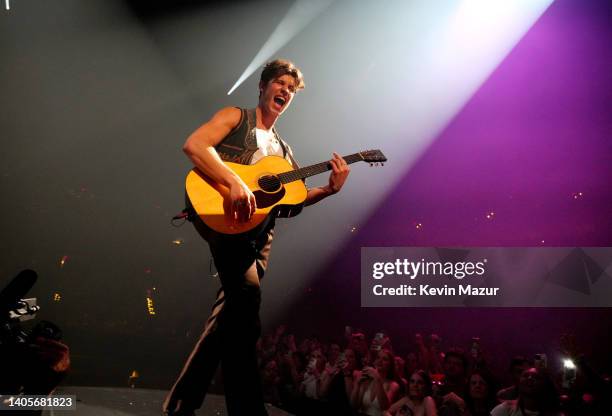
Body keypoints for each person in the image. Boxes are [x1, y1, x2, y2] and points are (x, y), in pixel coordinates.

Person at [163, 59, 350, 416]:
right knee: (246, 303)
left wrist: (327, 190)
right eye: (280, 84)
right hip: (225, 216)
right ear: (263, 87)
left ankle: (182, 403)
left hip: (260, 236)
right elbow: (195, 145)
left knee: (233, 316)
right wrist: (233, 182)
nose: (285, 92)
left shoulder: (284, 152)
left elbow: (294, 198)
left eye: (292, 90)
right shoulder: (237, 117)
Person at [351, 349, 401, 416]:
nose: (380, 361)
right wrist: (357, 384)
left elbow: (384, 407)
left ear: (390, 365)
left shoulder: (393, 385)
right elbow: (354, 405)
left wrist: (377, 378)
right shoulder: (367, 380)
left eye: (384, 359)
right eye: (378, 357)